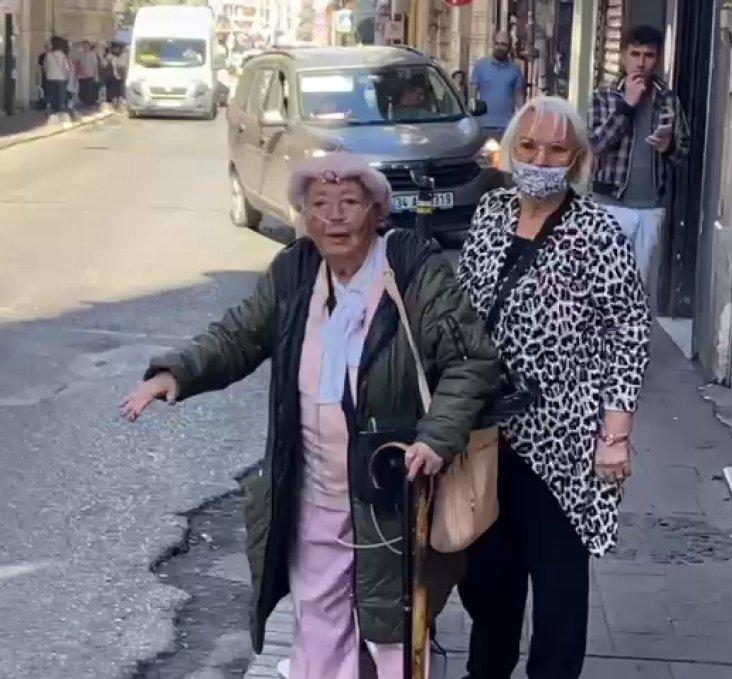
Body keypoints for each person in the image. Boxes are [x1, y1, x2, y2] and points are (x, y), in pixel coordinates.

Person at [120, 153, 498, 678]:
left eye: (349, 203)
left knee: (395, 627)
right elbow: (238, 336)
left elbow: (470, 361)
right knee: (318, 620)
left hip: (391, 489)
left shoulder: (413, 271)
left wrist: (436, 438)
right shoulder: (295, 272)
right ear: (304, 217)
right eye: (320, 205)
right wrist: (176, 374)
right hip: (314, 486)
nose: (335, 218)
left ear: (376, 212)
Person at [455, 95, 651, 679]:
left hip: (564, 440)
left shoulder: (597, 229)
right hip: (487, 435)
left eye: (556, 148)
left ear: (578, 158)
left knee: (559, 592)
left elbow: (629, 330)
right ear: (510, 149)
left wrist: (615, 434)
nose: (541, 158)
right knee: (490, 583)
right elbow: (460, 308)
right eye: (529, 146)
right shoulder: (489, 212)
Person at [588, 24, 689, 297]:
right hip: (610, 205)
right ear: (623, 56)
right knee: (604, 286)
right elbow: (595, 144)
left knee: (638, 290)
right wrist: (626, 106)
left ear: (657, 60)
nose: (641, 63)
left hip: (650, 208)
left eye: (649, 55)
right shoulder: (605, 95)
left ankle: (631, 339)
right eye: (635, 54)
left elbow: (683, 152)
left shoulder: (666, 98)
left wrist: (668, 147)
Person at [470, 32, 524, 136]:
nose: (500, 47)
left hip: (507, 127)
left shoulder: (514, 69)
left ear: (509, 47)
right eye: (497, 43)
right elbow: (472, 95)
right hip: (483, 126)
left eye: (503, 44)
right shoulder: (480, 66)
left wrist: (523, 118)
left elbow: (519, 96)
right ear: (493, 44)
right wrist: (472, 117)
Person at [42, 36, 73, 118]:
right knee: (60, 95)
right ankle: (60, 111)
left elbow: (45, 66)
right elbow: (66, 68)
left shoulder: (48, 55)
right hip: (61, 78)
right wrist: (67, 76)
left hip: (50, 77)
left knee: (51, 94)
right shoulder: (63, 55)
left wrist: (47, 74)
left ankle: (50, 109)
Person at [75, 40, 100, 108]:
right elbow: (80, 65)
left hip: (90, 75)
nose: (84, 47)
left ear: (89, 46)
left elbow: (95, 65)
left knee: (88, 90)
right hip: (82, 76)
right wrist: (78, 74)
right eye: (83, 46)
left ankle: (89, 104)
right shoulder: (81, 55)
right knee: (83, 90)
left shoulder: (92, 54)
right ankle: (84, 102)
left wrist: (95, 76)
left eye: (86, 46)